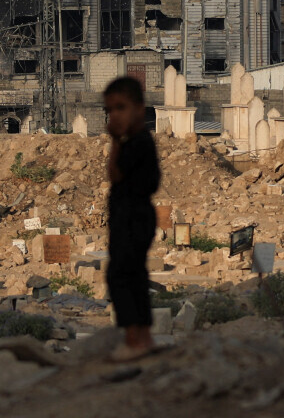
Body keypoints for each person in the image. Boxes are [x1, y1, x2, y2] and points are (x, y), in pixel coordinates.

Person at [102, 75, 160, 361]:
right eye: (110, 110)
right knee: (130, 273)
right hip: (127, 216)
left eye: (120, 108)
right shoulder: (129, 142)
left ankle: (135, 339)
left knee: (123, 274)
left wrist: (115, 141)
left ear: (139, 108)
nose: (114, 115)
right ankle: (140, 337)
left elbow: (118, 176)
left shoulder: (139, 143)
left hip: (135, 216)